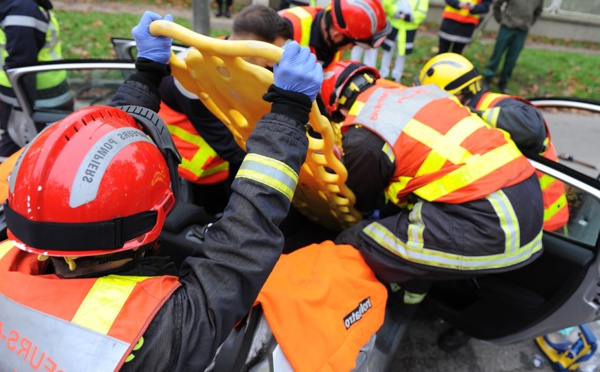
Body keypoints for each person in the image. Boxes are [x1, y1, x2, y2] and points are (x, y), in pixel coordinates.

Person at [0, 10, 323, 372]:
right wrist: (290, 113)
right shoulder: (151, 335)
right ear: (148, 223)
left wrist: (147, 72)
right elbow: (241, 250)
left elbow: (96, 152)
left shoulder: (15, 243)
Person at [320, 59, 544, 313]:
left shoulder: (363, 133)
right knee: (408, 232)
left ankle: (370, 315)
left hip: (491, 224)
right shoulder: (423, 95)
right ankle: (408, 304)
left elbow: (359, 201)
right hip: (524, 200)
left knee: (358, 238)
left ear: (336, 110)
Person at [417, 51, 569, 351]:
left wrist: (465, 115)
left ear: (459, 94)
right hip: (521, 212)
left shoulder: (498, 107)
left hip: (543, 221)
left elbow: (532, 128)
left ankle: (471, 327)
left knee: (496, 278)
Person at [158, 5, 292, 215]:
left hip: (218, 150)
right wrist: (274, 165)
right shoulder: (193, 71)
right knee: (214, 213)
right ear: (251, 44)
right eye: (271, 54)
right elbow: (223, 141)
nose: (272, 62)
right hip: (193, 163)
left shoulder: (228, 49)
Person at [0, 0, 72, 158]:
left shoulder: (21, 9)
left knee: (21, 153)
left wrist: (22, 110)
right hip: (21, 95)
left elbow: (23, 67)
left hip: (34, 101)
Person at [278, 0, 392, 68]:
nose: (351, 49)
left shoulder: (332, 42)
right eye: (354, 44)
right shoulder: (286, 29)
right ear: (336, 35)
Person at [481, 0, 544, 94]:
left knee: (512, 58)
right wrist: (500, 18)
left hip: (522, 31)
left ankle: (503, 82)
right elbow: (497, 4)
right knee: (497, 54)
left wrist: (528, 23)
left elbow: (538, 11)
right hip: (507, 27)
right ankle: (488, 78)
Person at [379, 0, 429, 82]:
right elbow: (387, 3)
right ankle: (383, 74)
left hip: (408, 29)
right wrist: (397, 12)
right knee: (388, 50)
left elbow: (422, 12)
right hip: (394, 25)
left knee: (402, 54)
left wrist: (409, 17)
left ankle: (397, 76)